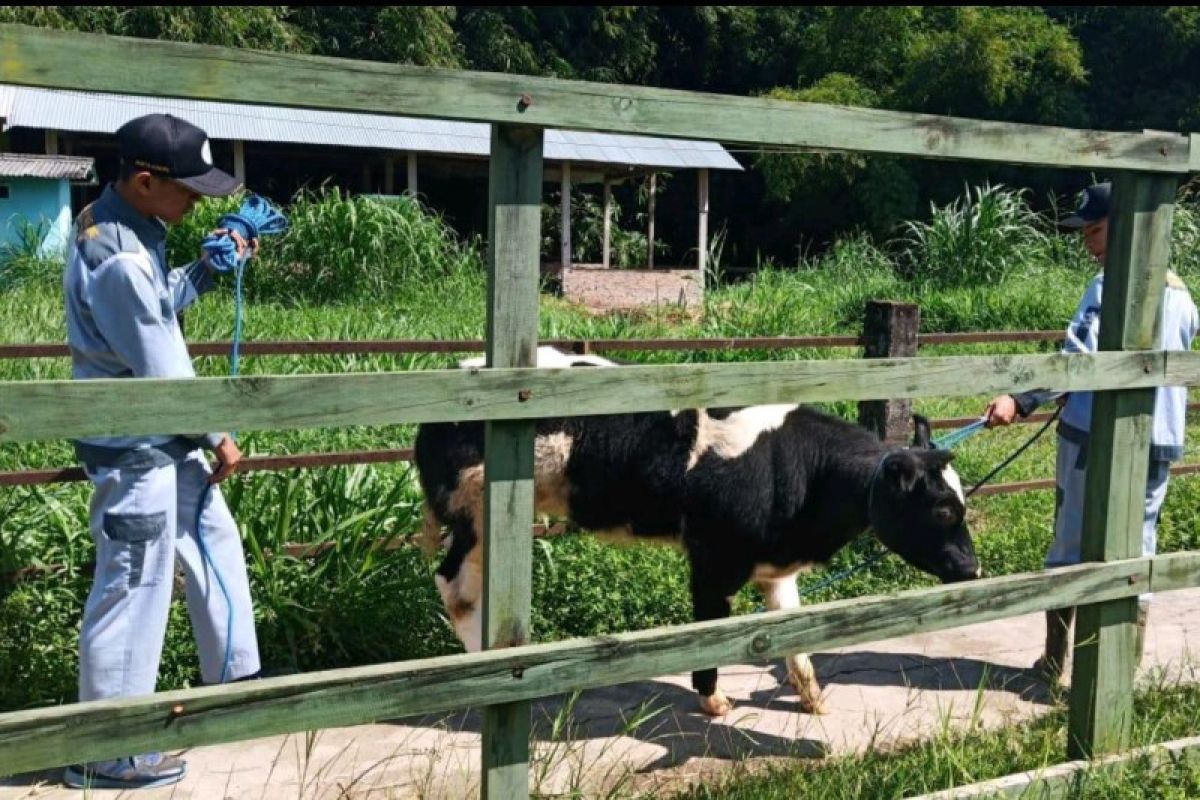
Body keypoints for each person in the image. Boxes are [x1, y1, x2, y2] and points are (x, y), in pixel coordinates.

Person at [62, 113, 262, 789]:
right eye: (192, 191)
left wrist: (205, 269)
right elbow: (161, 364)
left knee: (215, 544)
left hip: (158, 445)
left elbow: (155, 308)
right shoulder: (117, 256)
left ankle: (234, 692)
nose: (200, 203)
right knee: (132, 592)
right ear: (146, 182)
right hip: (138, 452)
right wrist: (218, 434)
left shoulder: (124, 229)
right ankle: (109, 755)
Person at [983, 180, 1199, 685]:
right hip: (1158, 441)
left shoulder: (1107, 288)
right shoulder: (1182, 293)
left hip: (1091, 439)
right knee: (1138, 547)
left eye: (1097, 230)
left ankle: (1056, 663)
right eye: (1085, 232)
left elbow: (1075, 358)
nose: (1088, 242)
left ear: (1126, 229)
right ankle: (1120, 669)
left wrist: (1021, 399)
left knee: (1070, 545)